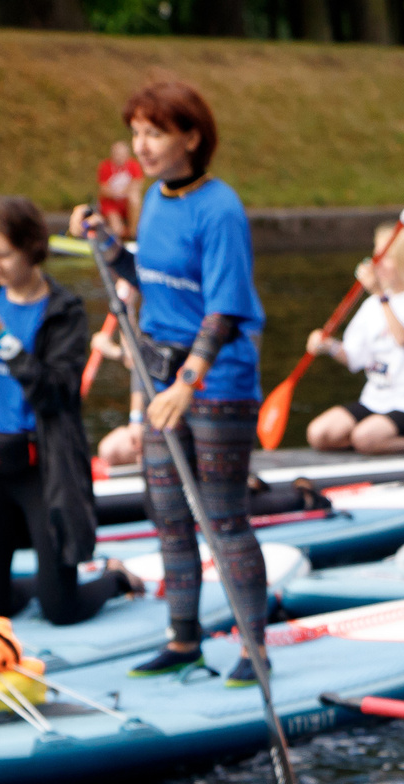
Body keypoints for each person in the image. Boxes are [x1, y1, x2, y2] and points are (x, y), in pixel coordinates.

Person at [69, 80, 270, 683]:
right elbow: (150, 279)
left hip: (218, 379)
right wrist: (106, 244)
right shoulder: (154, 198)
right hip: (164, 379)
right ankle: (184, 638)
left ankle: (253, 648)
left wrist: (190, 380)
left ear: (191, 137)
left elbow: (225, 307)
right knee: (168, 513)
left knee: (223, 515)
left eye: (153, 133)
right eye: (136, 133)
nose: (141, 145)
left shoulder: (220, 208)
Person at [0, 197, 133, 630]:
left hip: (40, 467)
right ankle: (38, 584)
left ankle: (116, 579)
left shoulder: (64, 311)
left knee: (61, 611)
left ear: (31, 248)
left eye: (4, 255)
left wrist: (3, 340)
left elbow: (58, 395)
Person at [302, 227, 404, 455]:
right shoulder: (371, 306)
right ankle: (372, 441)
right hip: (375, 400)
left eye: (386, 258)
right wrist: (327, 345)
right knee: (318, 434)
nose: (377, 264)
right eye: (376, 257)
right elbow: (354, 357)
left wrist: (380, 295)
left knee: (364, 438)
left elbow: (403, 339)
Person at [95, 139, 142, 239]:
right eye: (117, 154)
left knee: (135, 198)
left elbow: (137, 185)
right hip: (111, 204)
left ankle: (134, 234)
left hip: (126, 203)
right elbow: (104, 189)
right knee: (117, 229)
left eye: (122, 154)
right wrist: (119, 193)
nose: (119, 157)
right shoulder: (106, 167)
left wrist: (121, 192)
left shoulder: (133, 165)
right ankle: (121, 235)